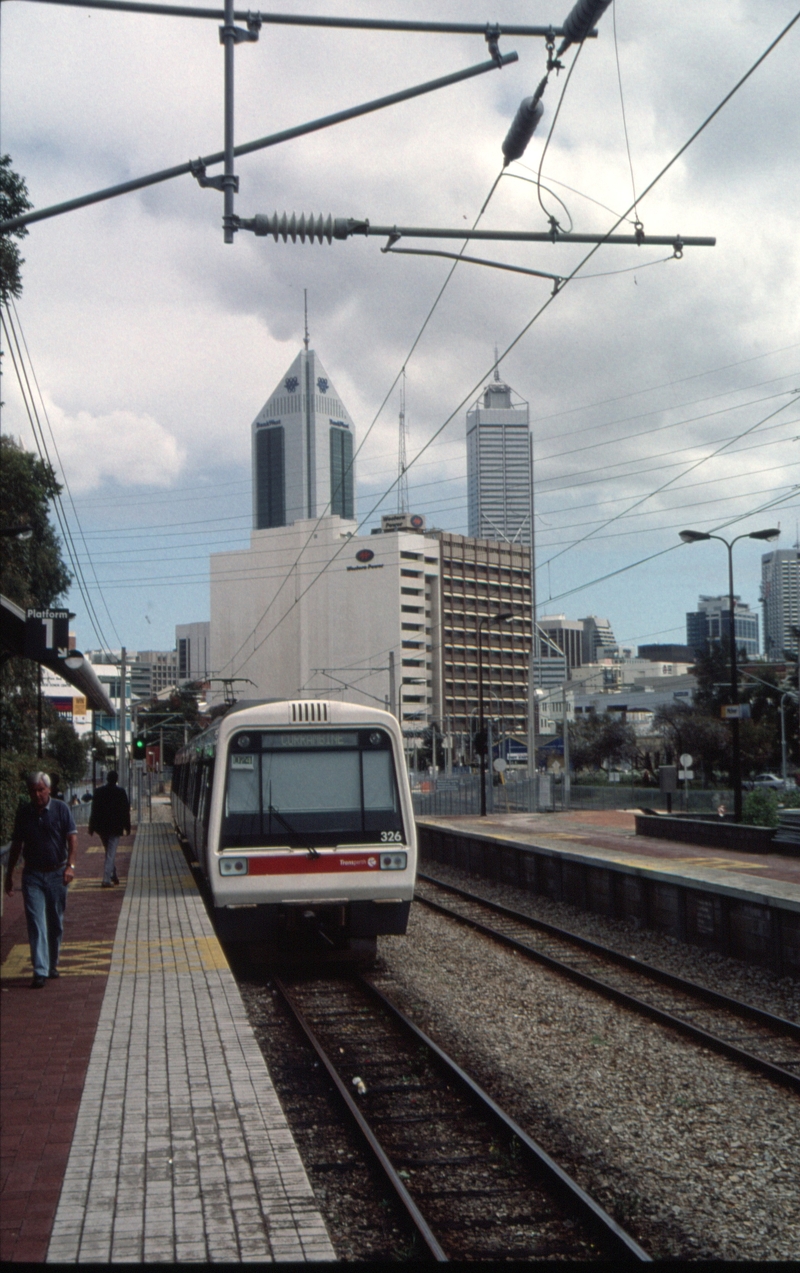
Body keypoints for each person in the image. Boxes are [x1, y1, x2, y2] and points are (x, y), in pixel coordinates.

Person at [4, 772, 77, 989]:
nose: (37, 795)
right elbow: (17, 845)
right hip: (32, 875)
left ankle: (52, 963)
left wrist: (70, 866)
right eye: (33, 791)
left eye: (40, 790)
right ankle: (40, 970)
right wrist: (8, 876)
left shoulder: (61, 809)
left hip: (57, 873)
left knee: (54, 922)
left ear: (49, 790)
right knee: (36, 922)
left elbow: (72, 839)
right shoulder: (24, 813)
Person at [88, 770, 131, 888]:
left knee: (109, 852)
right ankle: (106, 879)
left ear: (107, 778)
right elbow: (125, 811)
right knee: (111, 853)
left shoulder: (99, 792)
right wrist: (127, 827)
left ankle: (113, 874)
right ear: (116, 779)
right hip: (115, 828)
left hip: (102, 828)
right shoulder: (121, 792)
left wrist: (91, 827)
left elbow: (94, 811)